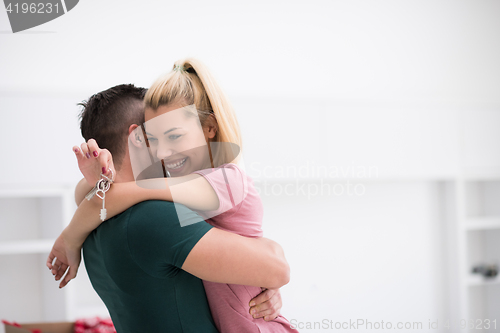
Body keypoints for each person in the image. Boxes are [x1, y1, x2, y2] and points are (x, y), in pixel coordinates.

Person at [47, 83, 290, 332]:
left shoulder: (94, 228)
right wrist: (269, 265)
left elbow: (92, 197)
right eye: (158, 133)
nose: (167, 150)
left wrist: (72, 234)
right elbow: (278, 269)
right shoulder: (155, 216)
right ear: (140, 138)